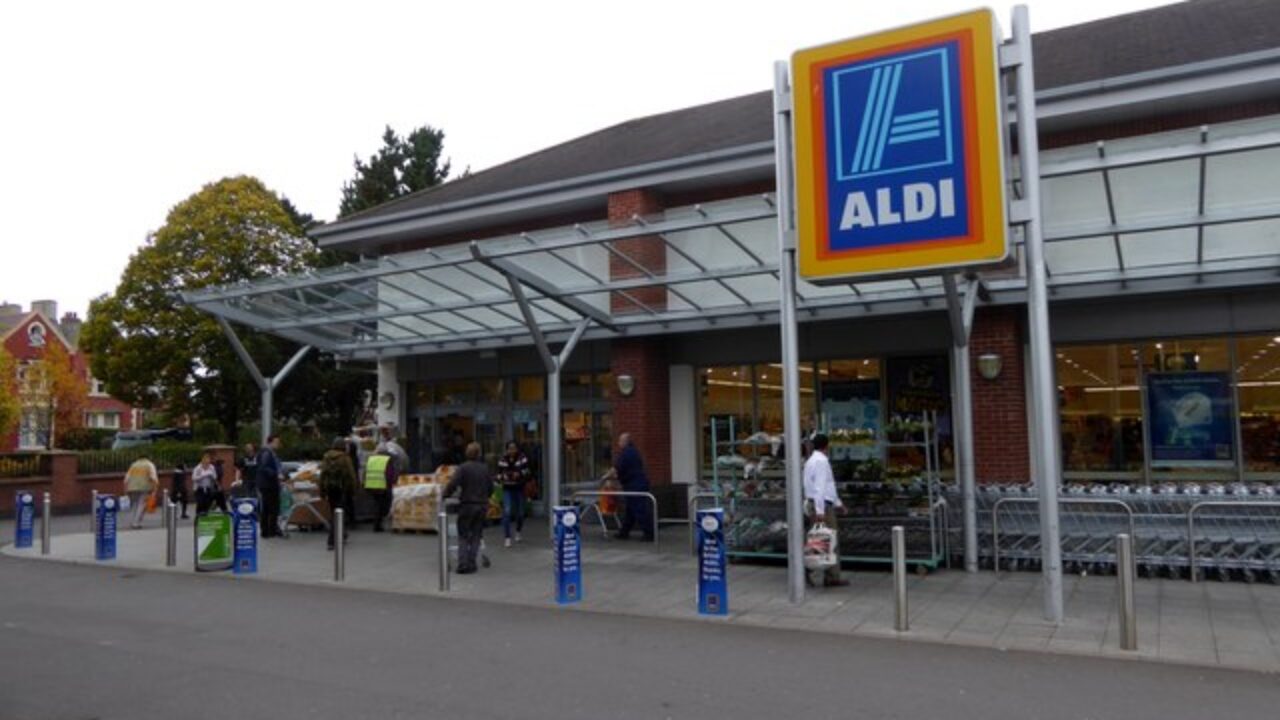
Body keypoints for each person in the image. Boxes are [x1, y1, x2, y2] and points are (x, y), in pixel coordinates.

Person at [803, 433, 848, 588]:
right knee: (827, 540)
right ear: (827, 446)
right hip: (822, 505)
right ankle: (828, 575)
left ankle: (815, 572)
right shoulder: (821, 461)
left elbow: (824, 485)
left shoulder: (810, 461)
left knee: (818, 539)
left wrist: (838, 503)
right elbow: (820, 487)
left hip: (817, 503)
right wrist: (820, 511)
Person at [443, 442, 494, 574]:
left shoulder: (463, 468)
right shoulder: (485, 469)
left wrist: (445, 494)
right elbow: (491, 487)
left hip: (467, 505)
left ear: (467, 453)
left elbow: (453, 484)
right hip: (481, 505)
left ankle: (463, 563)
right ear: (479, 454)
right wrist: (485, 496)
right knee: (476, 534)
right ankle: (472, 562)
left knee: (463, 535)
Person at [607, 432, 653, 541]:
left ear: (625, 442)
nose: (618, 443)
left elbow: (616, 468)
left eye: (620, 441)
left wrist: (605, 477)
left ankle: (649, 533)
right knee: (630, 510)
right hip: (637, 483)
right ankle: (624, 531)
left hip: (634, 485)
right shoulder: (633, 451)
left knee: (639, 509)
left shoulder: (626, 453)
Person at [320, 438, 356, 550]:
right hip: (341, 489)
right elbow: (351, 475)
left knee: (334, 512)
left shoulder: (326, 457)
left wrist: (322, 491)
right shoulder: (345, 458)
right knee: (339, 514)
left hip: (330, 489)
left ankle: (342, 535)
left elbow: (322, 475)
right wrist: (353, 490)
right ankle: (332, 540)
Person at [496, 441, 531, 547]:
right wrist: (504, 477)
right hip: (507, 488)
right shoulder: (503, 459)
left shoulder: (522, 458)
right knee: (507, 511)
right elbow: (498, 474)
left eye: (514, 448)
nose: (512, 450)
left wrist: (519, 474)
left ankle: (518, 531)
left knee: (520, 513)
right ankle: (507, 537)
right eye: (510, 448)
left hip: (519, 488)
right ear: (507, 449)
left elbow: (528, 471)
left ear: (517, 449)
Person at [363, 445, 400, 532]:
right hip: (382, 485)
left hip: (371, 485)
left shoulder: (371, 459)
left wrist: (364, 483)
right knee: (382, 505)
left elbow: (365, 472)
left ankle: (377, 524)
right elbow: (389, 474)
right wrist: (392, 483)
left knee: (377, 504)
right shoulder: (387, 460)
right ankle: (377, 524)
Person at [255, 436, 285, 538]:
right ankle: (269, 530)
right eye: (276, 442)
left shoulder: (269, 452)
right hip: (268, 484)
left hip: (268, 484)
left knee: (269, 507)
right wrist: (276, 474)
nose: (278, 444)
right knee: (270, 508)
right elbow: (264, 467)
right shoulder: (267, 452)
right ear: (270, 442)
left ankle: (269, 530)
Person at [123, 455, 158, 529]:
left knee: (135, 505)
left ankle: (134, 521)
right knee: (141, 505)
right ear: (147, 458)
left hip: (132, 487)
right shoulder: (149, 464)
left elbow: (127, 478)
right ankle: (136, 523)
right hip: (144, 487)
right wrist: (155, 488)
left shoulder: (133, 465)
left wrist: (125, 489)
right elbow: (153, 477)